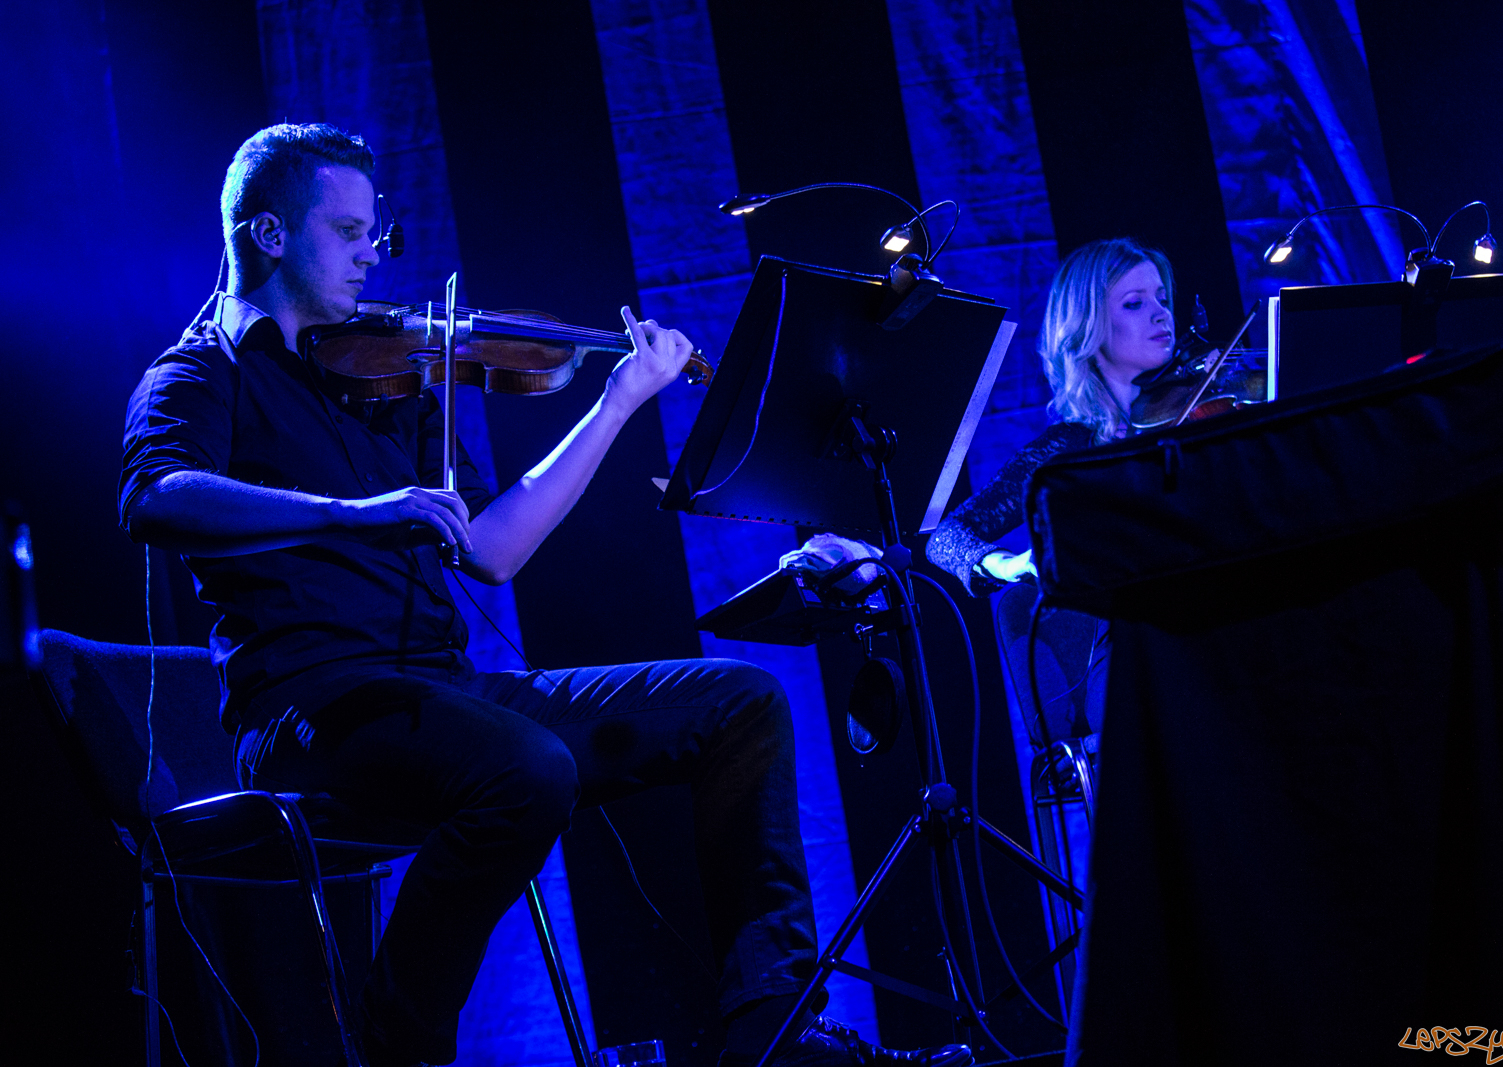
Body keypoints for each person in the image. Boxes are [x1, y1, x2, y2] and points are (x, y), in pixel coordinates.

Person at [120, 123, 972, 1067]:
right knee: (527, 768)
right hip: (312, 713)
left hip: (449, 700)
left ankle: (765, 1030)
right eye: (351, 231)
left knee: (742, 701)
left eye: (378, 233)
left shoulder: (385, 379)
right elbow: (156, 497)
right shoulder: (198, 374)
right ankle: (394, 1041)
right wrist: (352, 513)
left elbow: (491, 550)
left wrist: (617, 404)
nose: (375, 252)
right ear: (271, 235)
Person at [924, 237, 1180, 740]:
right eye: (1134, 303)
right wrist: (1012, 564)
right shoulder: (1069, 448)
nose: (1160, 313)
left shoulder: (1205, 408)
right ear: (1089, 328)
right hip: (1138, 647)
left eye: (1162, 298)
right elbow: (947, 536)